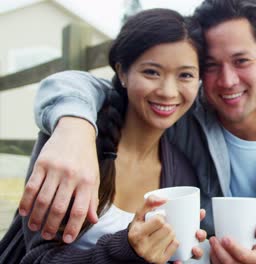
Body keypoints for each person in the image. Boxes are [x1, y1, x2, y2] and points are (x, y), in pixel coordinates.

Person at [15, 0, 256, 263]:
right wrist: (73, 126)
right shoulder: (186, 119)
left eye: (242, 61)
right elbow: (82, 85)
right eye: (213, 66)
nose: (228, 80)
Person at [0, 8, 208, 264]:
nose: (168, 91)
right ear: (122, 73)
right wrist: (126, 250)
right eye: (151, 72)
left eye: (185, 75)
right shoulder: (72, 146)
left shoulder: (181, 174)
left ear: (198, 81)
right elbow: (37, 259)